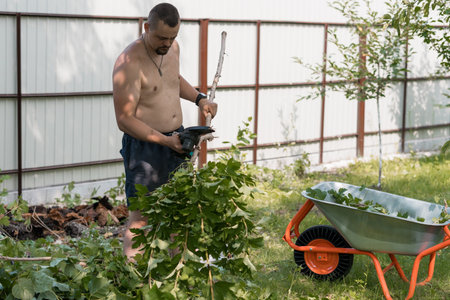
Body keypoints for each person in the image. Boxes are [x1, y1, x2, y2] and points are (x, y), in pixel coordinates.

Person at [112, 3, 218, 261]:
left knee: (177, 210)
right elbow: (124, 119)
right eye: (161, 37)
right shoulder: (129, 62)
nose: (167, 43)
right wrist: (165, 141)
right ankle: (133, 276)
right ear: (147, 27)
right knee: (141, 218)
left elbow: (172, 79)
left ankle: (173, 273)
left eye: (172, 38)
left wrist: (200, 98)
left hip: (177, 139)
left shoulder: (173, 49)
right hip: (146, 148)